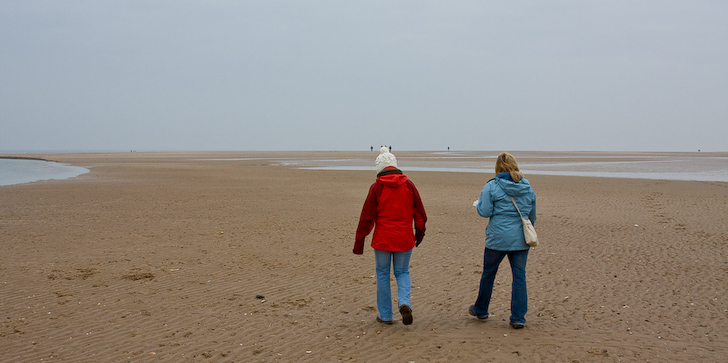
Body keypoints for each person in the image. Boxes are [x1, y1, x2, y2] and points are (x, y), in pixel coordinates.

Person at [354, 147, 427, 325]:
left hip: (383, 239)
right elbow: (420, 213)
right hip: (404, 237)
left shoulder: (377, 187)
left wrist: (359, 241)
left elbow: (366, 217)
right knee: (402, 272)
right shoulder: (408, 185)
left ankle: (386, 315)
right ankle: (404, 302)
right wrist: (420, 232)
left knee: (382, 274)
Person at [469, 152, 536, 329]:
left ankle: (481, 309)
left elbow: (485, 211)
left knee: (488, 274)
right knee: (519, 277)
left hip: (497, 238)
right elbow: (531, 214)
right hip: (520, 238)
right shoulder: (526, 186)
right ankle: (518, 317)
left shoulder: (492, 186)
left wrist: (478, 205)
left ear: (498, 167)